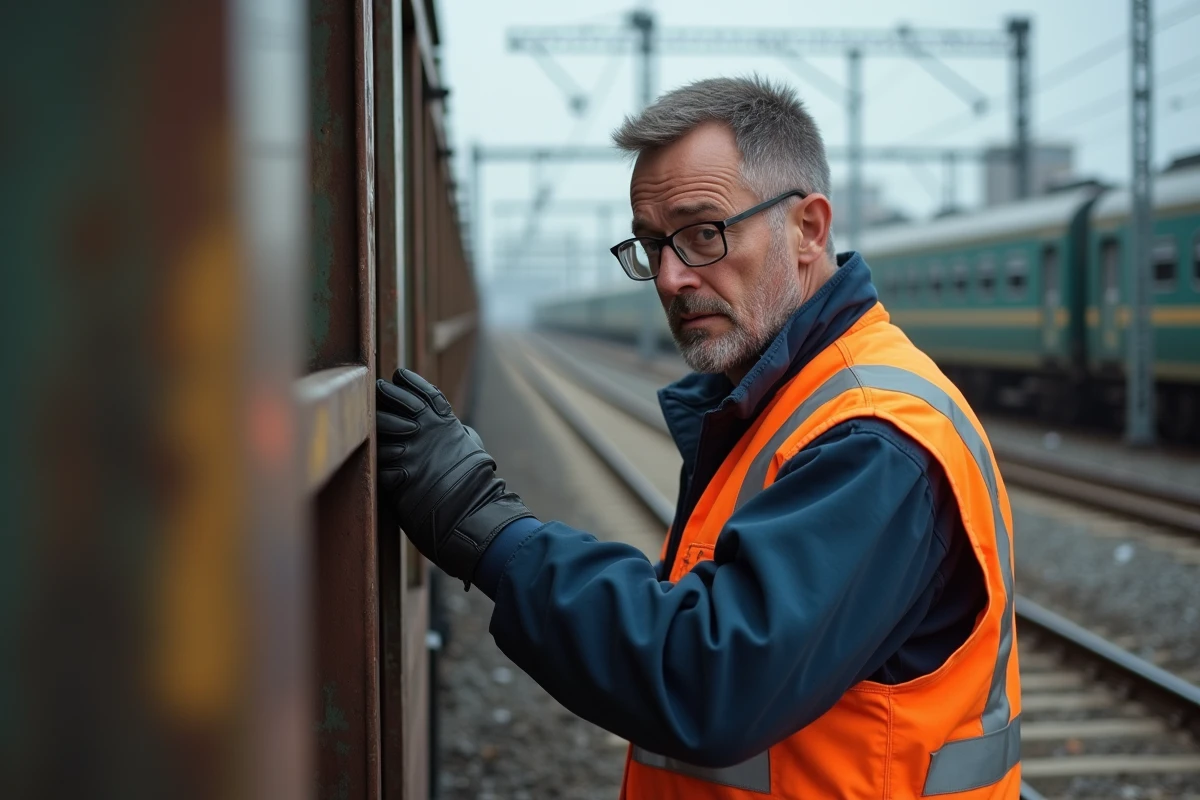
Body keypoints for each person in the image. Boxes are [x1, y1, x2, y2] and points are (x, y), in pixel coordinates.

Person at [376, 75, 1021, 799]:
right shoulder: (782, 402)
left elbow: (708, 676)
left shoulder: (876, 436)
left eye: (704, 233)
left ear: (808, 229)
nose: (673, 277)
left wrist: (485, 525)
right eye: (653, 245)